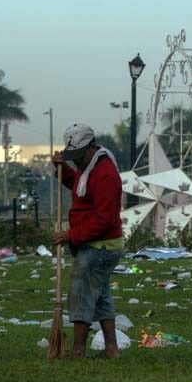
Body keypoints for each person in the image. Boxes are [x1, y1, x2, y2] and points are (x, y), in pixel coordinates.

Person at [52, 123, 123, 359]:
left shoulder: (105, 174)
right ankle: (111, 349)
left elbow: (104, 220)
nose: (76, 162)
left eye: (77, 157)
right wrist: (62, 169)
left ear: (91, 148)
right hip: (95, 243)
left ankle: (78, 350)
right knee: (101, 294)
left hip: (101, 245)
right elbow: (79, 188)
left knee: (81, 290)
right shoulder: (88, 168)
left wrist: (70, 235)